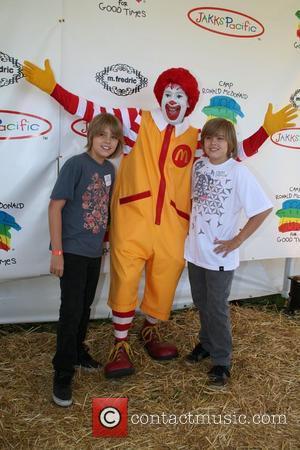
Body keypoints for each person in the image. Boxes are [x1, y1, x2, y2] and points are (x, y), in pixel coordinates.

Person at [22, 59, 296, 379]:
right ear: (159, 96)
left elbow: (231, 155)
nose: (173, 99)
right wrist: (53, 89)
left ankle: (150, 330)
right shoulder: (138, 121)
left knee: (164, 279)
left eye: (180, 94)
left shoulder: (196, 137)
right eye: (168, 92)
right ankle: (120, 344)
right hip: (132, 219)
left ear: (189, 103)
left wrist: (265, 132)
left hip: (173, 224)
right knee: (125, 278)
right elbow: (92, 111)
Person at [184, 118, 273, 388]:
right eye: (210, 137)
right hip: (195, 252)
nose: (214, 143)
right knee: (201, 302)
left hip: (220, 257)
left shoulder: (238, 172)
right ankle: (207, 344)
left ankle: (222, 360)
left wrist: (237, 240)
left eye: (221, 138)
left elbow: (262, 210)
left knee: (217, 308)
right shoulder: (198, 166)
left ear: (230, 144)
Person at [49, 113, 123, 406]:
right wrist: (57, 251)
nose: (107, 141)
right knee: (70, 312)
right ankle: (62, 373)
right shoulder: (75, 165)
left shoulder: (110, 170)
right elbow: (55, 208)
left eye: (113, 136)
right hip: (72, 251)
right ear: (91, 136)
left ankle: (77, 352)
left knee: (84, 308)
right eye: (102, 135)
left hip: (93, 253)